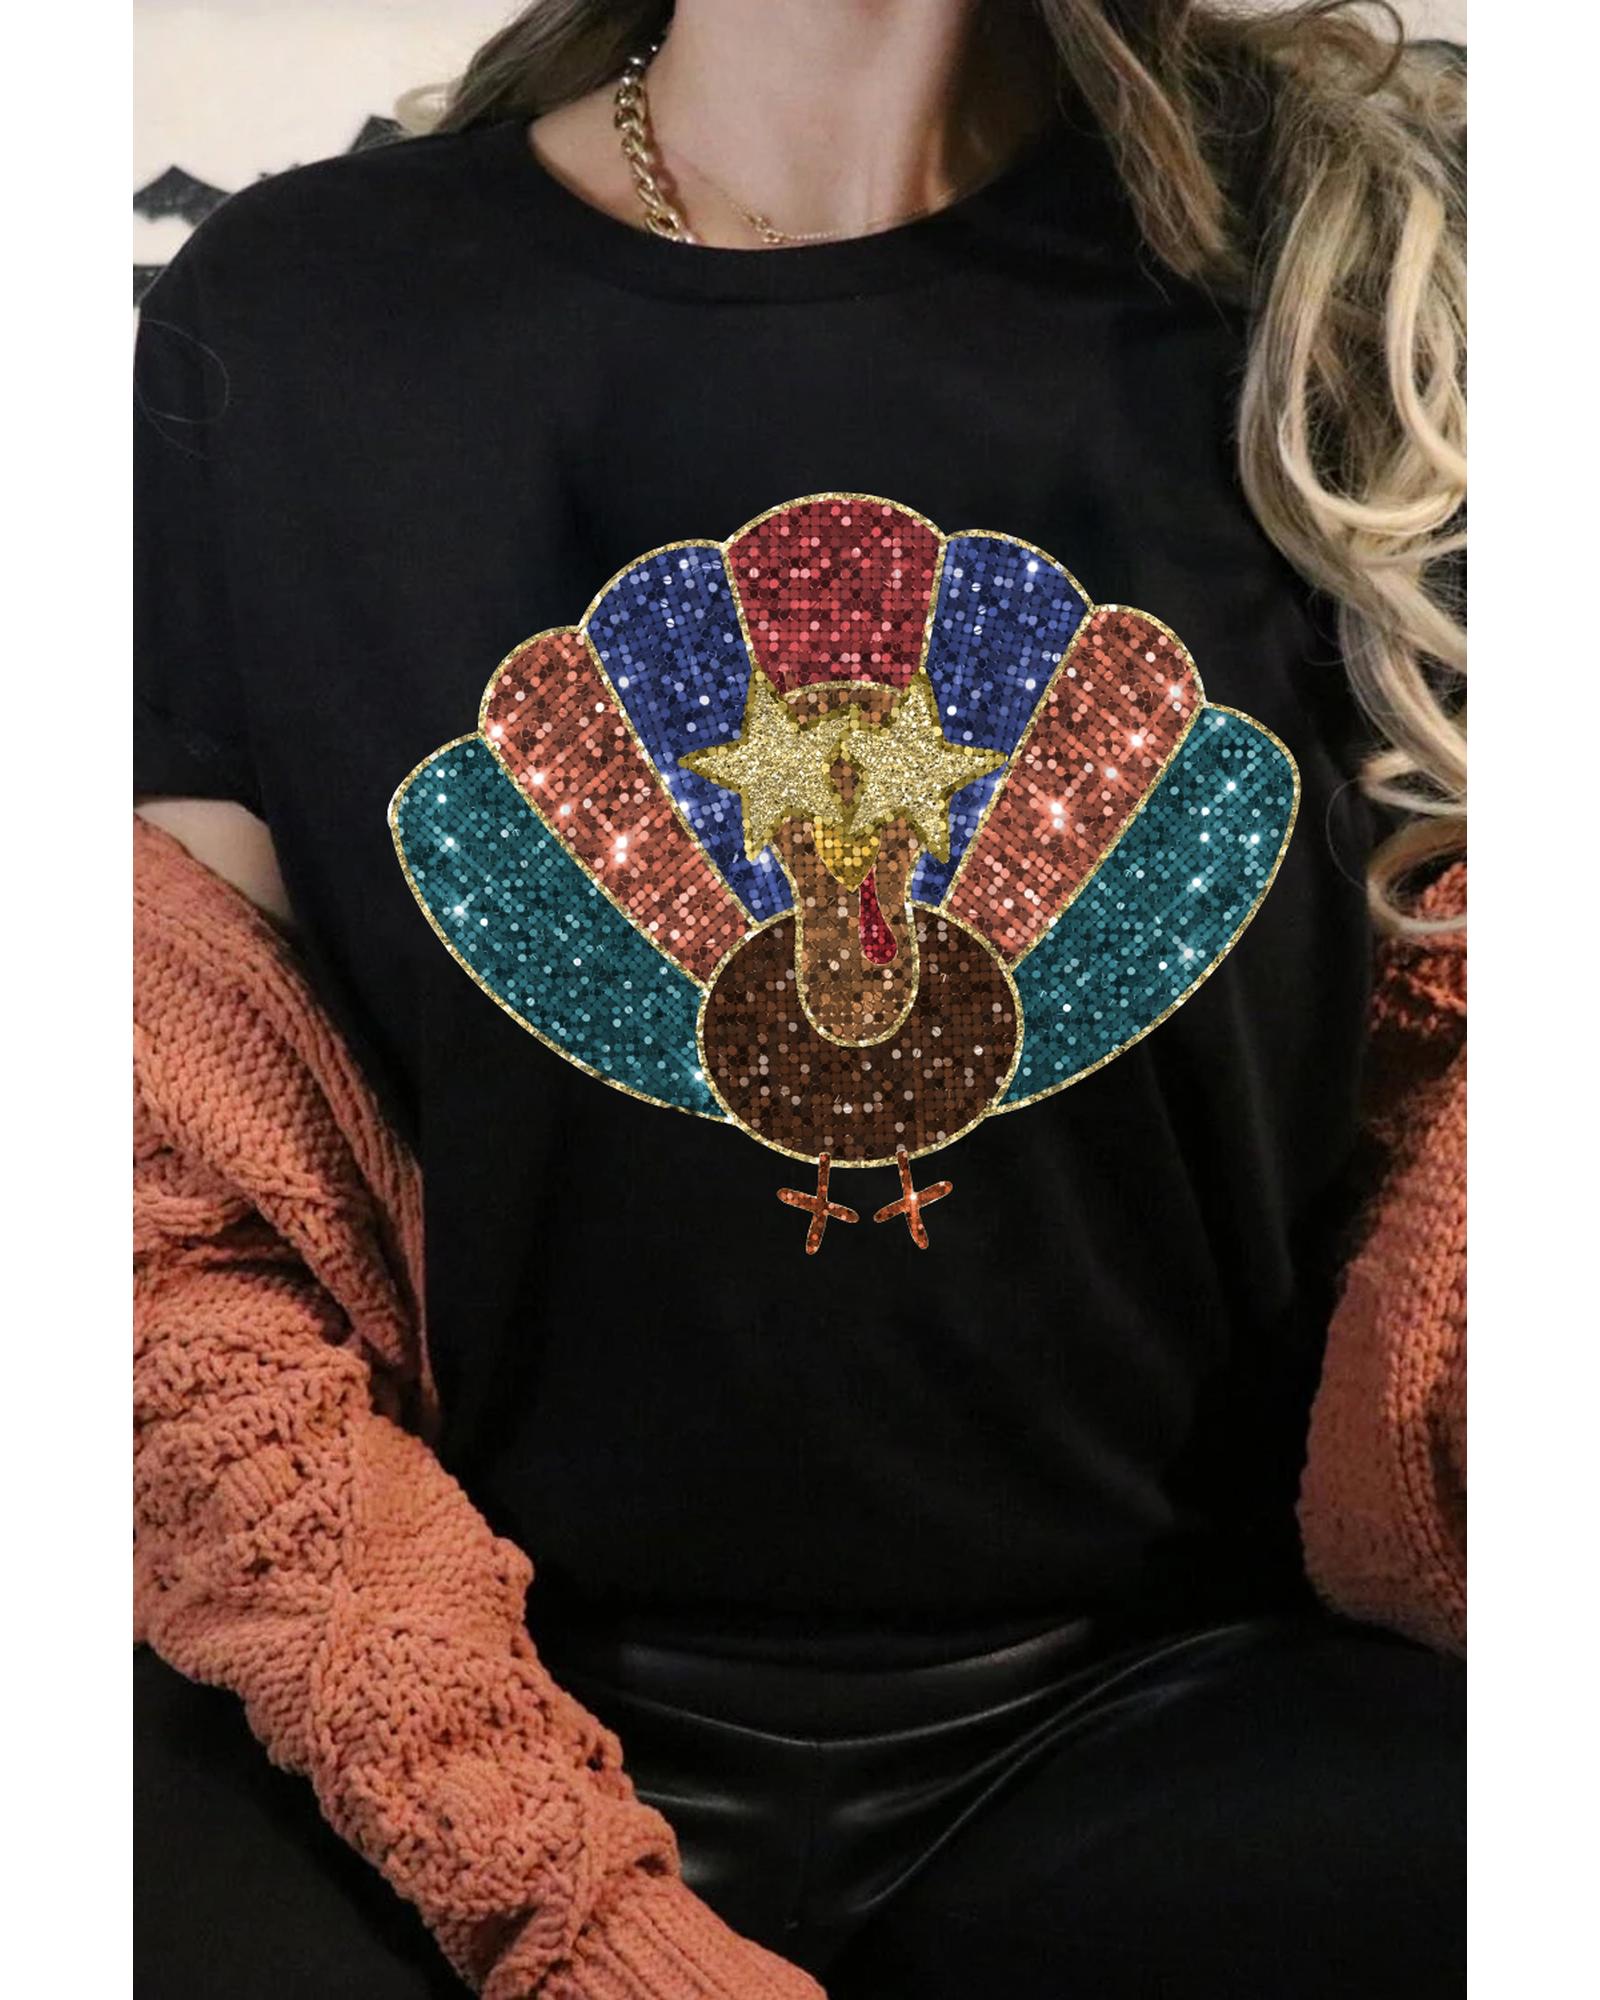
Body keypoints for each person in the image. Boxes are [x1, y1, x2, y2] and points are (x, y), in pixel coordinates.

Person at [133, 2, 1466, 1995]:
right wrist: (559, 1902)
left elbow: (1467, 1132)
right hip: (438, 1701)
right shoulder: (299, 316)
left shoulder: (1367, 294)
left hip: (1190, 1716)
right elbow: (175, 1235)